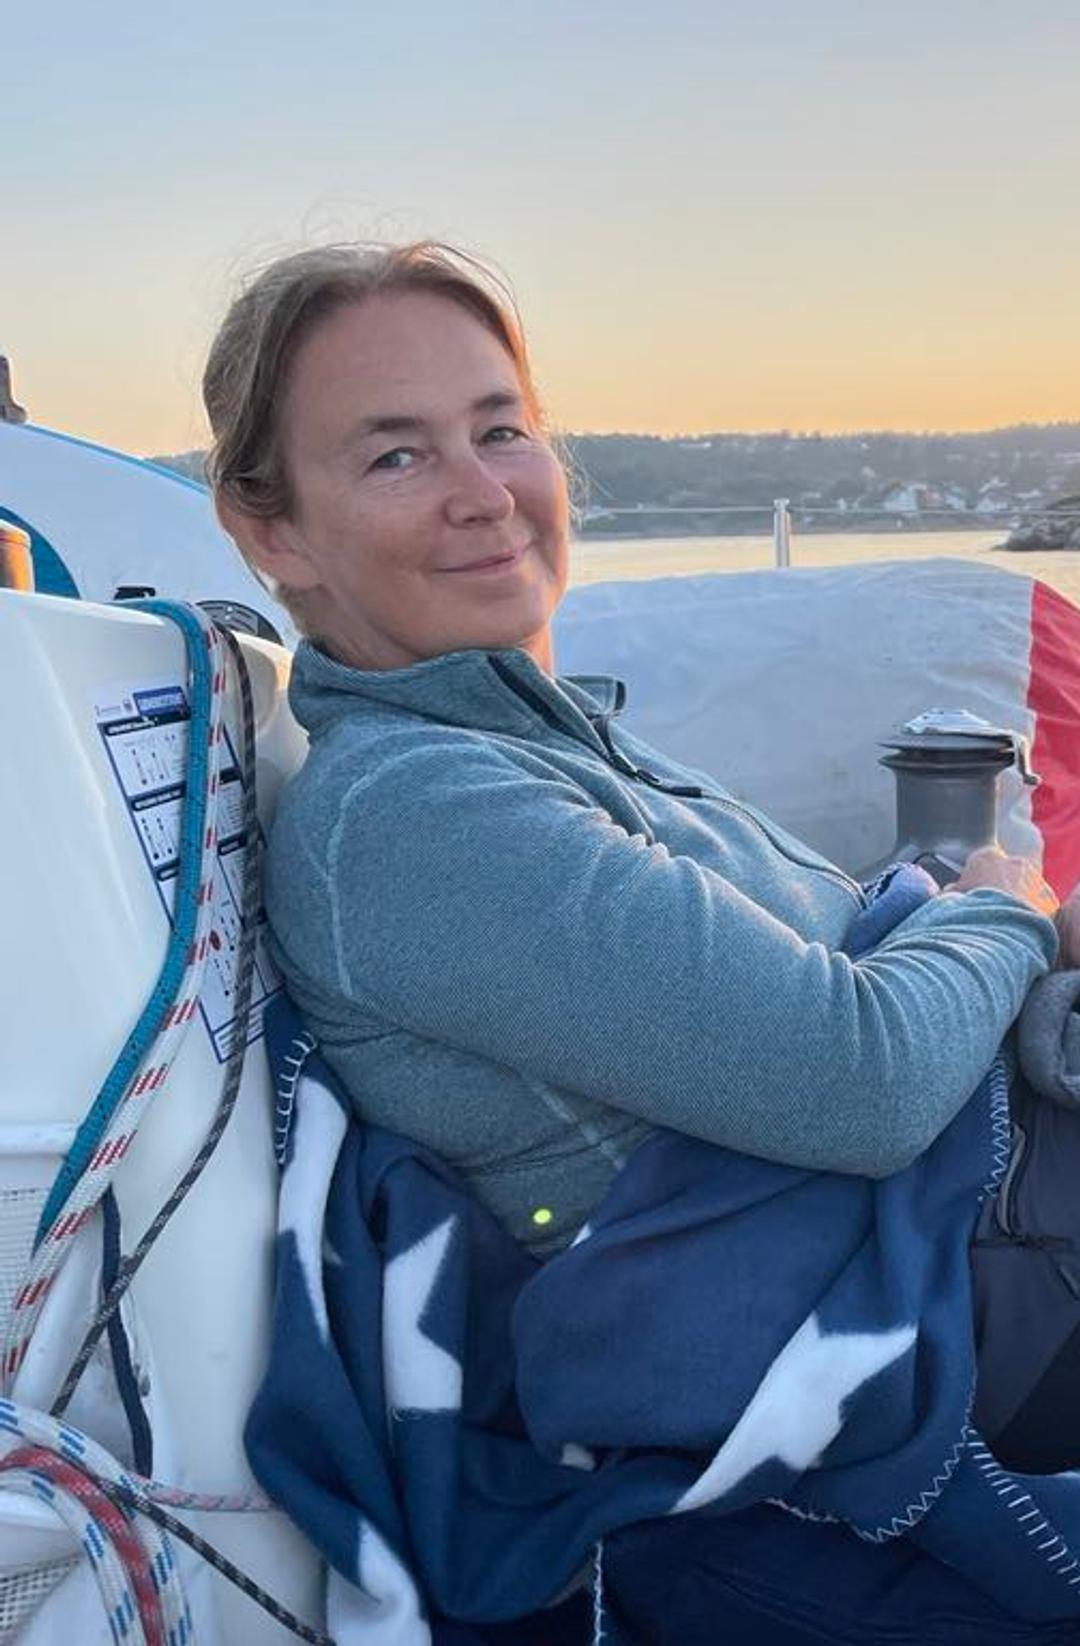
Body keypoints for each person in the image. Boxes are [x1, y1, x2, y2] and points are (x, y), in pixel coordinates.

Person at [204, 243, 1079, 1640]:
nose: (485, 493)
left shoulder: (550, 744)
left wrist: (1003, 920)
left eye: (501, 429)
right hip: (945, 1295)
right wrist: (1004, 911)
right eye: (396, 456)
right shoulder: (414, 810)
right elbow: (859, 1079)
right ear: (274, 532)